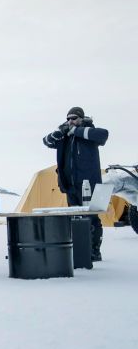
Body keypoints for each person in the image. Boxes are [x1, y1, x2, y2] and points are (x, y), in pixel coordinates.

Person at [43, 106, 109, 261]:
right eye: (68, 118)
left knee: (91, 218)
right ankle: (79, 248)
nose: (70, 121)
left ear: (81, 118)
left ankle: (94, 251)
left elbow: (104, 135)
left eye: (74, 118)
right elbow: (46, 141)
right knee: (74, 218)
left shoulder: (89, 132)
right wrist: (59, 132)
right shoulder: (64, 136)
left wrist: (77, 131)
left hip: (89, 185)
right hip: (70, 186)